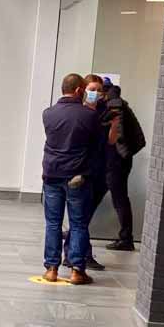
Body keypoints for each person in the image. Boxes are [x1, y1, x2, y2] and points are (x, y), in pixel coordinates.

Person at [42, 73, 102, 285]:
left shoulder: (48, 113)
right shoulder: (89, 116)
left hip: (51, 174)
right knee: (78, 224)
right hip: (77, 176)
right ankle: (77, 271)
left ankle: (51, 269)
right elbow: (97, 146)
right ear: (78, 90)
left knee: (52, 223)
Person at [103, 79, 140, 251]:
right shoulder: (117, 102)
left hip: (116, 160)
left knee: (119, 199)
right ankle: (75, 230)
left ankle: (126, 238)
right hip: (117, 159)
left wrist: (121, 152)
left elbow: (117, 133)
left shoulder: (114, 104)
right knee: (99, 196)